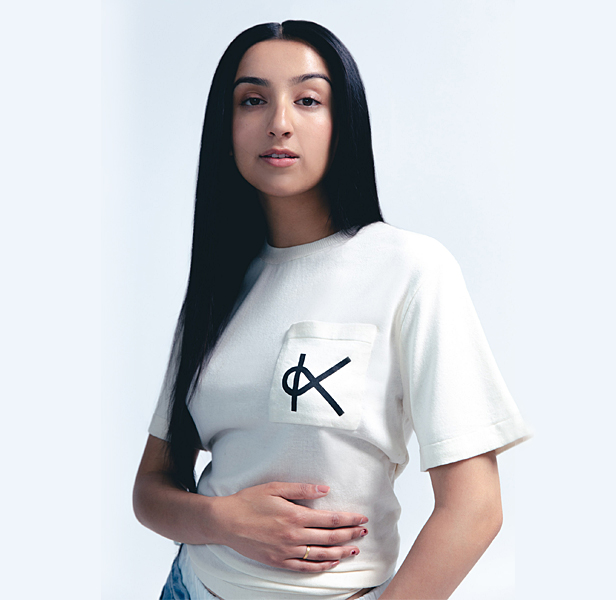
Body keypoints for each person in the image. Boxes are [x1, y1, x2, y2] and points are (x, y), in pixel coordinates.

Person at [133, 20, 532, 600]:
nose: (278, 122)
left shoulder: (410, 270)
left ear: (343, 123)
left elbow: (475, 509)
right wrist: (227, 520)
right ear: (227, 129)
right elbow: (151, 491)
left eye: (308, 99)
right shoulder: (219, 287)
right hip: (190, 587)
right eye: (252, 100)